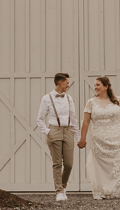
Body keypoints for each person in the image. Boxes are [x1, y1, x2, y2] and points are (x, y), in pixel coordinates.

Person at [78, 76, 120, 199]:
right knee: (101, 166)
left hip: (118, 138)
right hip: (99, 140)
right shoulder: (91, 103)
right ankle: (101, 192)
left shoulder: (118, 100)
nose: (95, 87)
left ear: (106, 86)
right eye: (95, 85)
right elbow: (85, 122)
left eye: (98, 85)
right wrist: (82, 139)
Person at [36, 72, 80, 201]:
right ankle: (59, 191)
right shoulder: (46, 98)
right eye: (67, 82)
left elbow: (74, 118)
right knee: (57, 163)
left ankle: (63, 186)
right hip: (54, 130)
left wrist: (78, 137)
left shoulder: (69, 98)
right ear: (60, 83)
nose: (68, 85)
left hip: (68, 131)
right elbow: (39, 119)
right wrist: (48, 131)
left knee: (69, 164)